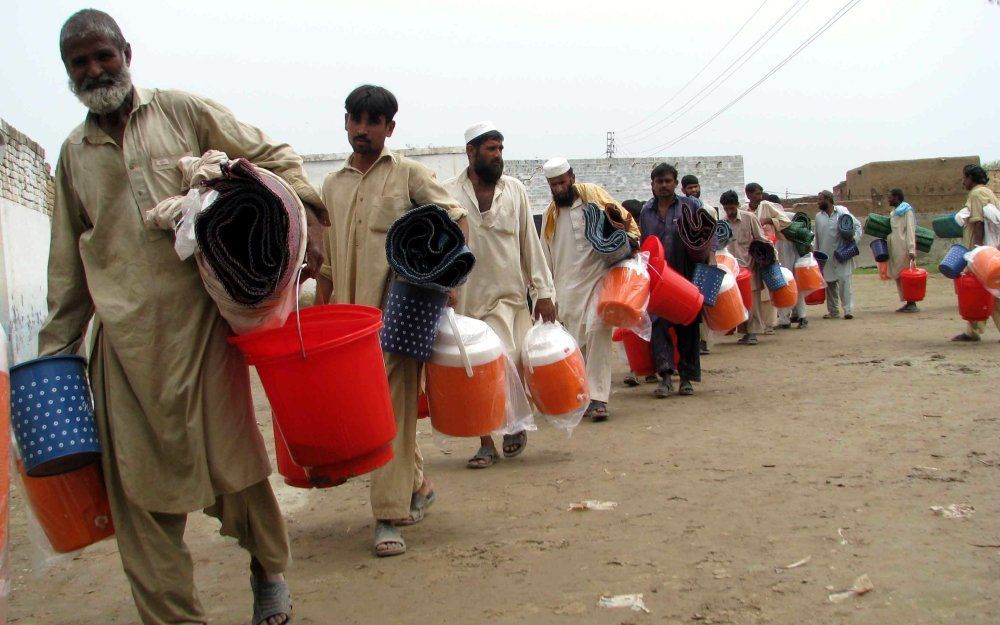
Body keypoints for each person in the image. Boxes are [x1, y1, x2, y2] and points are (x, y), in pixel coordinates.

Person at [39, 10, 328, 625]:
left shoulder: (181, 112)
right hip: (123, 351)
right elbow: (68, 268)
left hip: (203, 332)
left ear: (126, 52)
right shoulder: (74, 155)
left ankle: (268, 569)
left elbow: (271, 152)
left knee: (236, 469)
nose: (94, 71)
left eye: (102, 56)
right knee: (136, 496)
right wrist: (53, 355)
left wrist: (304, 214)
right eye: (79, 63)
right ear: (68, 73)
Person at [315, 85, 468, 556]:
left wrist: (445, 280)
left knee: (391, 413)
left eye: (374, 121)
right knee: (374, 414)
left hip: (397, 318)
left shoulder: (409, 176)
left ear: (390, 128)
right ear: (345, 122)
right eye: (356, 119)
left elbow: (456, 220)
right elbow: (326, 262)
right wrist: (319, 319)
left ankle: (388, 516)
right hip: (347, 323)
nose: (363, 129)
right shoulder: (332, 186)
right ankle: (418, 486)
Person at [443, 121, 556, 468]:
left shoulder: (515, 190)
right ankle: (485, 442)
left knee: (511, 361)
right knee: (474, 374)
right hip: (467, 300)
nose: (498, 156)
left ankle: (513, 426)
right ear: (471, 152)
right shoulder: (446, 193)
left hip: (509, 299)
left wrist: (544, 291)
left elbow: (529, 243)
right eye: (491, 149)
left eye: (500, 149)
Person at [539, 158, 639, 421]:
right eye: (553, 185)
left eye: (562, 182)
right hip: (567, 288)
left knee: (598, 334)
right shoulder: (550, 216)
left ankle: (598, 398)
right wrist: (543, 292)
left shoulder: (594, 198)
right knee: (574, 344)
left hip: (598, 280)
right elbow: (544, 257)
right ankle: (580, 395)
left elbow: (624, 223)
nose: (559, 188)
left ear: (571, 177)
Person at [640, 165, 704, 396]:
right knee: (658, 325)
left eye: (668, 181)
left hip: (686, 275)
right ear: (652, 184)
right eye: (659, 181)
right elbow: (644, 244)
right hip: (657, 280)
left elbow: (709, 234)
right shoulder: (646, 212)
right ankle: (665, 377)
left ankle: (686, 378)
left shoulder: (691, 206)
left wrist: (712, 257)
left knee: (687, 326)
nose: (664, 185)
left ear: (675, 183)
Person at [952, 165, 1000, 342]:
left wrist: (977, 251)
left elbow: (978, 222)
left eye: (964, 178)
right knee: (990, 290)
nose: (963, 181)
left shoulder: (976, 194)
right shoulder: (989, 193)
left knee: (979, 290)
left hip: (982, 251)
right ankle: (973, 329)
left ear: (971, 178)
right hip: (992, 249)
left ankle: (973, 331)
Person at [721, 190, 771, 345]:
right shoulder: (723, 223)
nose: (729, 212)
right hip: (732, 269)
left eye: (731, 208)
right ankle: (745, 332)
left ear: (736, 205)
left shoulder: (749, 218)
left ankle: (754, 332)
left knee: (753, 301)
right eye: (726, 209)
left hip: (750, 267)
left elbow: (762, 239)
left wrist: (765, 256)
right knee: (739, 300)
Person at [682, 174, 722, 353]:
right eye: (690, 188)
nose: (693, 191)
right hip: (684, 262)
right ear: (683, 190)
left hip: (704, 262)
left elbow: (714, 237)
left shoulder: (709, 210)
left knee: (703, 300)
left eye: (695, 187)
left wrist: (712, 257)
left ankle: (704, 341)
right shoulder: (680, 208)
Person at [744, 184, 791, 334]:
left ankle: (770, 324)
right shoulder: (744, 210)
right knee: (755, 289)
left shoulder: (766, 206)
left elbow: (785, 222)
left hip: (768, 254)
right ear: (748, 195)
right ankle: (756, 324)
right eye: (757, 194)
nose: (760, 197)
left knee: (770, 285)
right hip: (751, 255)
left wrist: (769, 221)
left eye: (760, 193)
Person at [814, 190, 862, 320]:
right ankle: (833, 311)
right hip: (826, 256)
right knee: (829, 285)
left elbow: (857, 226)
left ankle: (848, 310)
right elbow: (817, 238)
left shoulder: (842, 212)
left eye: (820, 199)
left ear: (828, 200)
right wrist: (816, 255)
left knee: (845, 283)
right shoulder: (819, 217)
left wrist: (854, 240)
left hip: (842, 255)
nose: (818, 202)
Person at [776, 208, 809, 329]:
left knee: (786, 288)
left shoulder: (784, 218)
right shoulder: (791, 217)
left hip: (790, 258)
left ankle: (790, 319)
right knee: (791, 288)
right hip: (790, 259)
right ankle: (796, 317)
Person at [886, 189, 918, 313]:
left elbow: (910, 230)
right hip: (895, 248)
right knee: (899, 276)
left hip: (904, 248)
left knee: (907, 276)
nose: (888, 200)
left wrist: (911, 249)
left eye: (890, 197)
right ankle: (907, 301)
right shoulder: (894, 212)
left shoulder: (907, 211)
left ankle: (912, 302)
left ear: (896, 197)